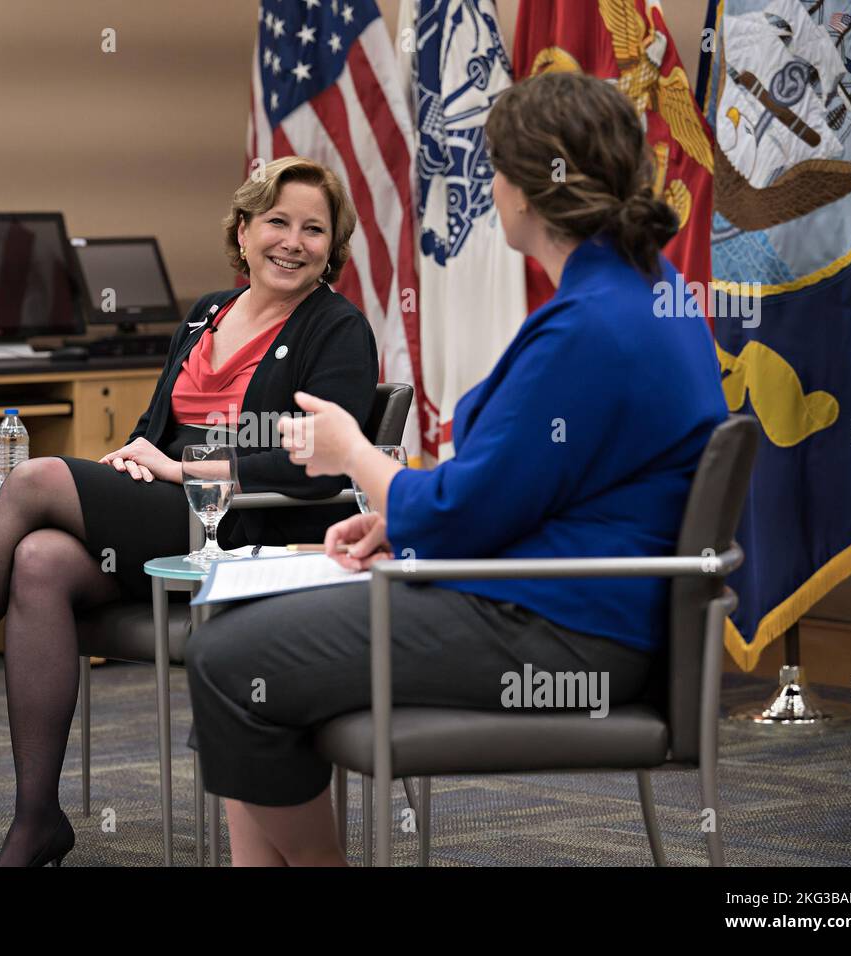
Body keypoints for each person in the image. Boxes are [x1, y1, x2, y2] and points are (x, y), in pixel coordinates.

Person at [184, 71, 731, 866]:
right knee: (244, 649)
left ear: (528, 190)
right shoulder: (646, 290)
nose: (493, 186)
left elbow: (459, 514)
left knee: (228, 658)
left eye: (496, 169)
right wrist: (395, 517)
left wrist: (354, 456)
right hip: (579, 607)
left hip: (560, 634)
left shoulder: (589, 326)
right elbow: (526, 490)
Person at [0, 157, 380, 866]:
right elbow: (156, 427)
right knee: (37, 562)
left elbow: (320, 465)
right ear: (244, 230)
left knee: (32, 481)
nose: (294, 241)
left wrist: (183, 468)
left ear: (331, 249)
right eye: (278, 222)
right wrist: (135, 455)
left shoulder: (336, 328)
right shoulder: (206, 312)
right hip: (164, 503)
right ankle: (37, 820)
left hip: (240, 524)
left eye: (315, 230)